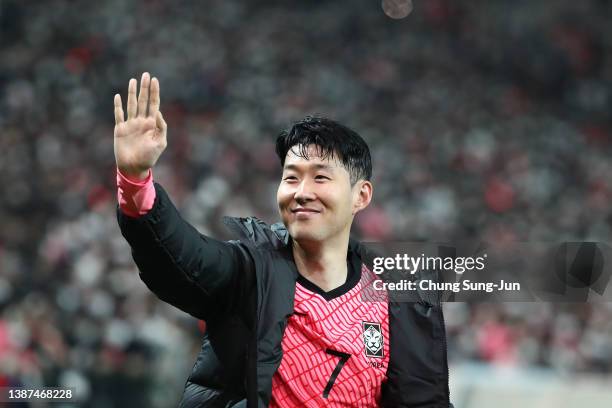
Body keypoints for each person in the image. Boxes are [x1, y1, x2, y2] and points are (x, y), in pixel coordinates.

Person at [114, 72, 452, 407]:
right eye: (291, 178)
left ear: (361, 196)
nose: (302, 192)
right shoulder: (250, 272)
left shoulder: (399, 298)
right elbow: (182, 258)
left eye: (320, 177)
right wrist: (135, 180)